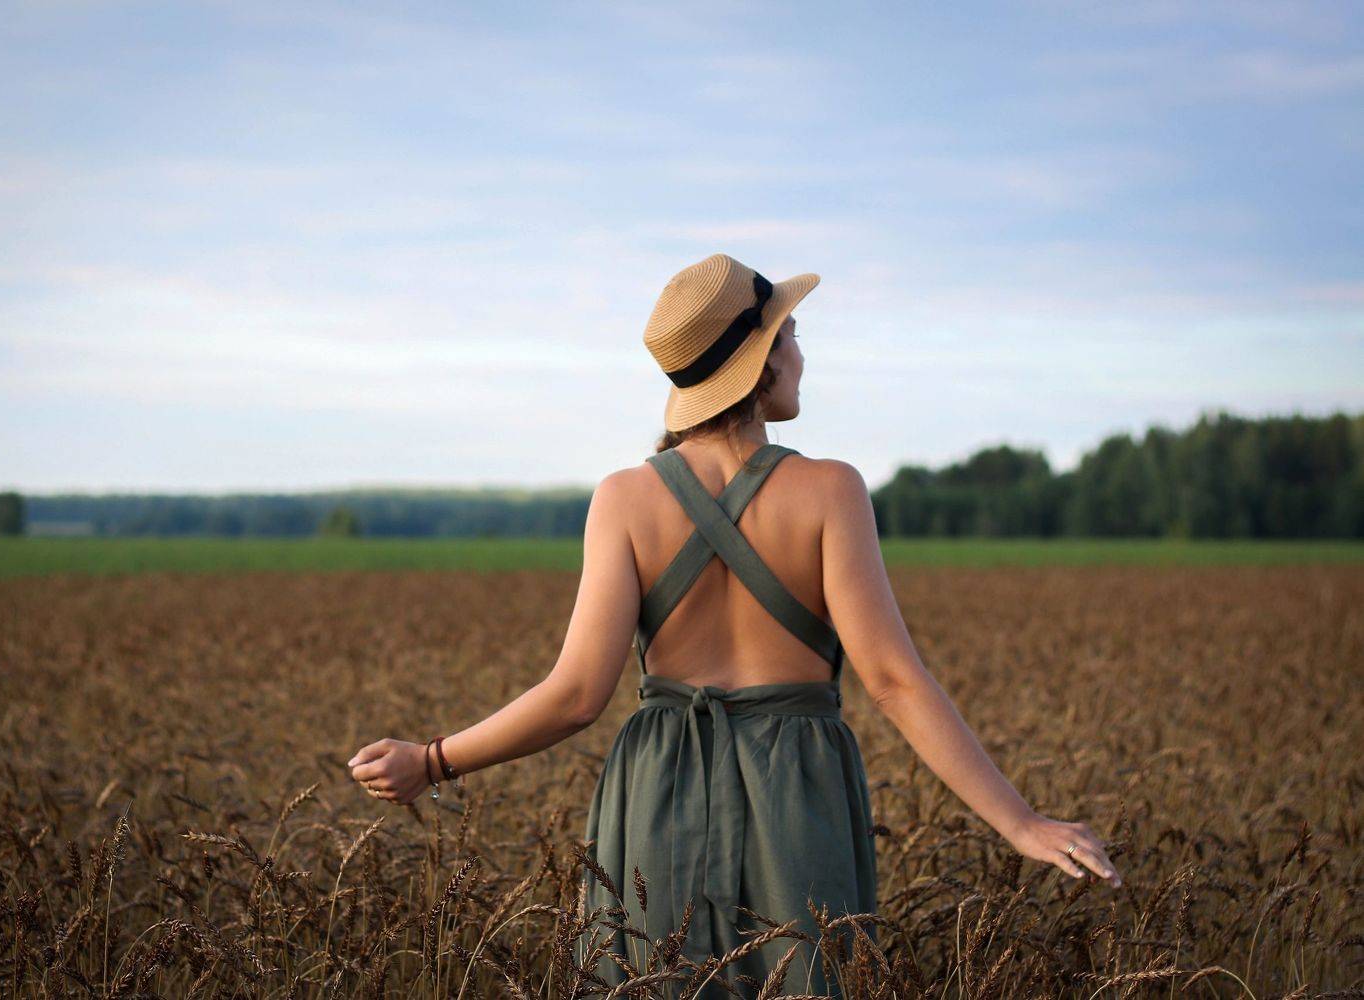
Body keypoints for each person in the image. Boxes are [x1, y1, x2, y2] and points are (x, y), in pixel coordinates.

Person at [347, 252, 1122, 996]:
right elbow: (892, 680)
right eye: (791, 336)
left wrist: (432, 760)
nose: (802, 356)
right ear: (763, 360)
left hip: (656, 791)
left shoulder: (623, 499)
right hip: (800, 793)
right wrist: (1018, 822)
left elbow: (577, 696)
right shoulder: (831, 491)